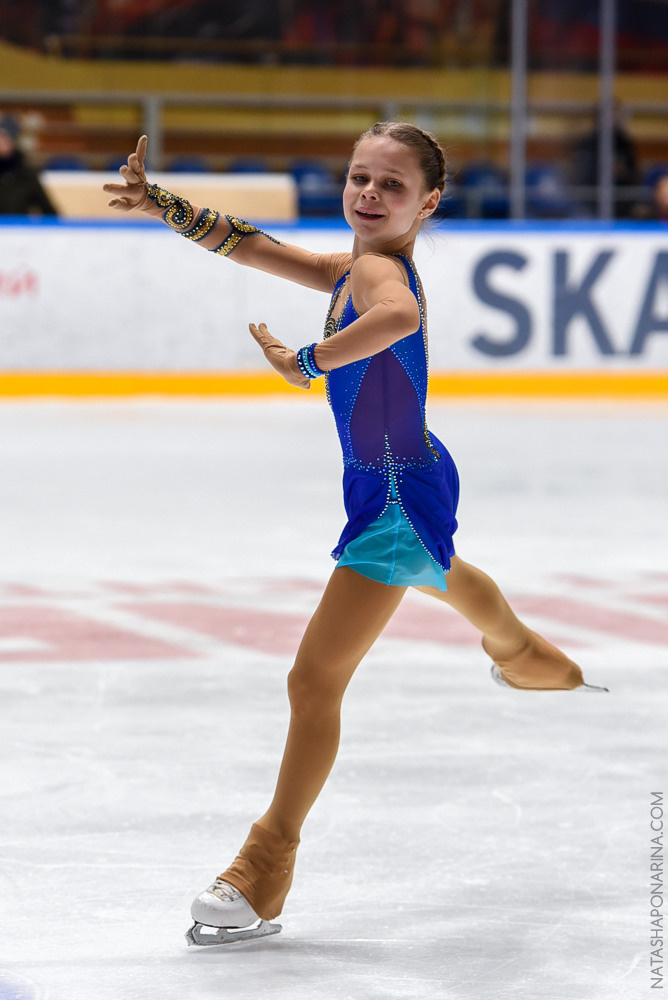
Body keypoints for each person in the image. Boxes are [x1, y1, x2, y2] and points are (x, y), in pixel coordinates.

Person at [104, 125, 608, 946]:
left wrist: (310, 360)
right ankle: (527, 656)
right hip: (403, 478)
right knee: (434, 574)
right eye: (359, 177)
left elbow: (399, 314)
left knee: (314, 680)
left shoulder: (376, 273)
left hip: (396, 495)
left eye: (392, 185)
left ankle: (265, 864)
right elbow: (253, 247)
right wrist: (162, 203)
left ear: (428, 202)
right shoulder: (349, 267)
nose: (368, 193)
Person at [0, 114, 58, 217]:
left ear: (13, 140)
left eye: (4, 137)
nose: (1, 142)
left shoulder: (26, 174)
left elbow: (50, 212)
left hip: (19, 230)